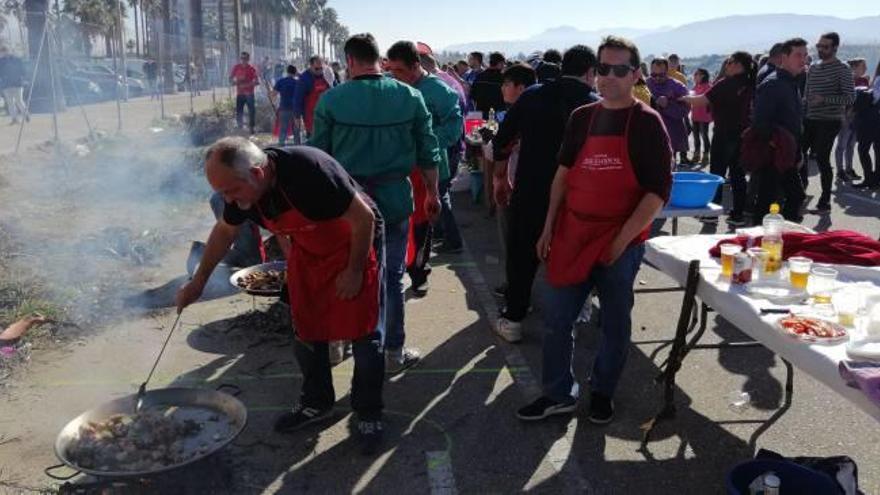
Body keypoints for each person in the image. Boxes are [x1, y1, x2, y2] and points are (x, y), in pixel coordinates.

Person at [176, 139, 386, 454]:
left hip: (354, 242)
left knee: (363, 333)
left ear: (258, 174)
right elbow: (224, 232)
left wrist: (355, 271)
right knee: (305, 327)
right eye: (222, 194)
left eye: (231, 192)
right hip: (309, 250)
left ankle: (369, 413)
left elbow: (363, 219)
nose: (228, 200)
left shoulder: (310, 171)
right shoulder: (242, 188)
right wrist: (199, 281)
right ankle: (316, 404)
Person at [516, 35, 672, 424]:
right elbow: (563, 176)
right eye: (603, 69)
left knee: (615, 323)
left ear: (635, 74)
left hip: (621, 239)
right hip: (573, 234)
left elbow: (656, 195)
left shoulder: (648, 123)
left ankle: (602, 391)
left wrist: (620, 243)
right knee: (557, 319)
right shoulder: (582, 117)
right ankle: (557, 393)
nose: (609, 77)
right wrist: (548, 226)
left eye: (620, 70)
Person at [309, 33, 442, 374]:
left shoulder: (332, 100)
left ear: (350, 61)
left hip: (347, 205)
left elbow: (318, 159)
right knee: (392, 278)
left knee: (344, 273)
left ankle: (339, 344)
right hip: (395, 201)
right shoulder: (410, 96)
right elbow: (430, 152)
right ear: (379, 60)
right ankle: (393, 351)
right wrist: (433, 192)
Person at [491, 45, 600, 342]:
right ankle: (573, 314)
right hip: (575, 197)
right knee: (574, 254)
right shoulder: (596, 105)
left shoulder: (533, 95)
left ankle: (513, 317)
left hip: (531, 190)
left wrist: (500, 179)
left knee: (522, 256)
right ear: (590, 72)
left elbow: (503, 140)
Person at [386, 41, 463, 294]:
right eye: (391, 69)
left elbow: (454, 128)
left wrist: (424, 140)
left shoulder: (439, 91)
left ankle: (419, 271)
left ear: (416, 66)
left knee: (422, 222)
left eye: (399, 70)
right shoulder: (393, 88)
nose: (394, 76)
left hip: (429, 167)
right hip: (398, 167)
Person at [680, 51, 756, 226]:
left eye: (729, 62)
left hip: (724, 134)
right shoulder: (749, 83)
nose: (726, 66)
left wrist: (683, 98)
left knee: (717, 174)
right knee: (738, 175)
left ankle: (712, 214)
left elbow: (701, 101)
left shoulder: (726, 83)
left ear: (737, 65)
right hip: (742, 134)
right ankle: (738, 214)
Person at [751, 38, 809, 224]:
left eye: (805, 55)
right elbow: (760, 122)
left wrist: (797, 152)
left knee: (787, 198)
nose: (803, 59)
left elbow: (794, 122)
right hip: (774, 156)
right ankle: (766, 240)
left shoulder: (792, 82)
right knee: (772, 200)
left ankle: (780, 238)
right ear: (784, 57)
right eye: (798, 55)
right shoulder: (773, 84)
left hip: (787, 155)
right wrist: (777, 146)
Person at [492, 63, 537, 296]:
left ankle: (517, 291)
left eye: (506, 84)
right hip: (524, 185)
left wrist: (500, 179)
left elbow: (500, 149)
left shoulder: (521, 113)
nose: (502, 88)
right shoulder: (536, 109)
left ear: (520, 87)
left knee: (514, 242)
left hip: (516, 186)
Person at [419, 51, 467, 253]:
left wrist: (434, 138)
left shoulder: (438, 85)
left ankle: (453, 239)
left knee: (441, 194)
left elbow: (456, 116)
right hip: (449, 145)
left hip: (448, 147)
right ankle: (441, 233)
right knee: (441, 193)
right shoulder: (444, 81)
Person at [802, 32, 856, 211]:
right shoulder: (813, 67)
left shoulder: (843, 68)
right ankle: (799, 193)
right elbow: (807, 94)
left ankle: (824, 200)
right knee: (798, 154)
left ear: (834, 48)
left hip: (829, 120)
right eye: (819, 46)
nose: (821, 50)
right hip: (809, 118)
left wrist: (824, 99)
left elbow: (850, 98)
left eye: (825, 47)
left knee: (822, 158)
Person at [647, 58, 689, 165]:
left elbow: (685, 110)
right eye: (654, 75)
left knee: (668, 167)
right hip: (649, 133)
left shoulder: (677, 86)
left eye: (661, 75)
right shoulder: (646, 84)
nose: (656, 78)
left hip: (671, 134)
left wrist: (668, 105)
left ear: (667, 71)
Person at [834, 58, 870, 181]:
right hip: (847, 116)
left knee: (851, 145)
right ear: (854, 67)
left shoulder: (865, 80)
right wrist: (842, 115)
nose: (865, 68)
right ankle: (840, 170)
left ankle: (849, 169)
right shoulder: (846, 80)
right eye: (862, 66)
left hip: (858, 118)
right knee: (842, 145)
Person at [852, 61, 880, 189]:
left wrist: (863, 92)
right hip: (875, 120)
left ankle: (869, 179)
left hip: (871, 121)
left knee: (863, 149)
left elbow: (874, 97)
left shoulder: (878, 79)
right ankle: (876, 179)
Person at [294, 56, 334, 138]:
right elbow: (297, 99)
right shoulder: (304, 78)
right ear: (310, 66)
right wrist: (297, 117)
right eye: (316, 69)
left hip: (326, 116)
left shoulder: (327, 75)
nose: (319, 71)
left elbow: (334, 90)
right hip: (311, 117)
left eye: (321, 68)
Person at [229, 52, 259, 134]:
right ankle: (240, 127)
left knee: (251, 111)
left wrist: (246, 85)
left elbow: (257, 82)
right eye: (242, 58)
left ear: (248, 59)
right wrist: (233, 82)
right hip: (240, 93)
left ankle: (252, 128)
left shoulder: (252, 68)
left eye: (245, 59)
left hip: (249, 94)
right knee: (239, 111)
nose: (243, 60)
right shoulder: (236, 67)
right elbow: (230, 78)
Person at [471, 52, 506, 117]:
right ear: (499, 63)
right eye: (503, 64)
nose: (504, 66)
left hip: (478, 114)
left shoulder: (479, 77)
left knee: (472, 126)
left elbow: (473, 96)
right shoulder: (503, 79)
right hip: (497, 116)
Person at [273, 65, 301, 146]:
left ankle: (281, 147)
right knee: (296, 131)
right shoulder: (298, 82)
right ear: (295, 72)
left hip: (284, 108)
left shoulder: (281, 81)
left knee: (283, 130)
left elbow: (273, 94)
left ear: (287, 71)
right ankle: (298, 148)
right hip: (295, 110)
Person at [690, 68, 713, 166]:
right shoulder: (695, 87)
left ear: (703, 75)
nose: (694, 76)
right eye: (694, 74)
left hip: (704, 116)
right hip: (695, 115)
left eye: (696, 74)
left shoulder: (708, 86)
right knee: (696, 136)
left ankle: (706, 155)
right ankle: (696, 154)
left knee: (704, 135)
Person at [0, 46, 27, 125]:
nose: (4, 53)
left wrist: (22, 78)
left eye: (6, 51)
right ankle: (14, 119)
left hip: (17, 84)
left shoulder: (17, 59)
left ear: (9, 51)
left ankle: (26, 115)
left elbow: (23, 70)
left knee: (19, 101)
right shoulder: (1, 61)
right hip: (6, 85)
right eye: (2, 52)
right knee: (10, 103)